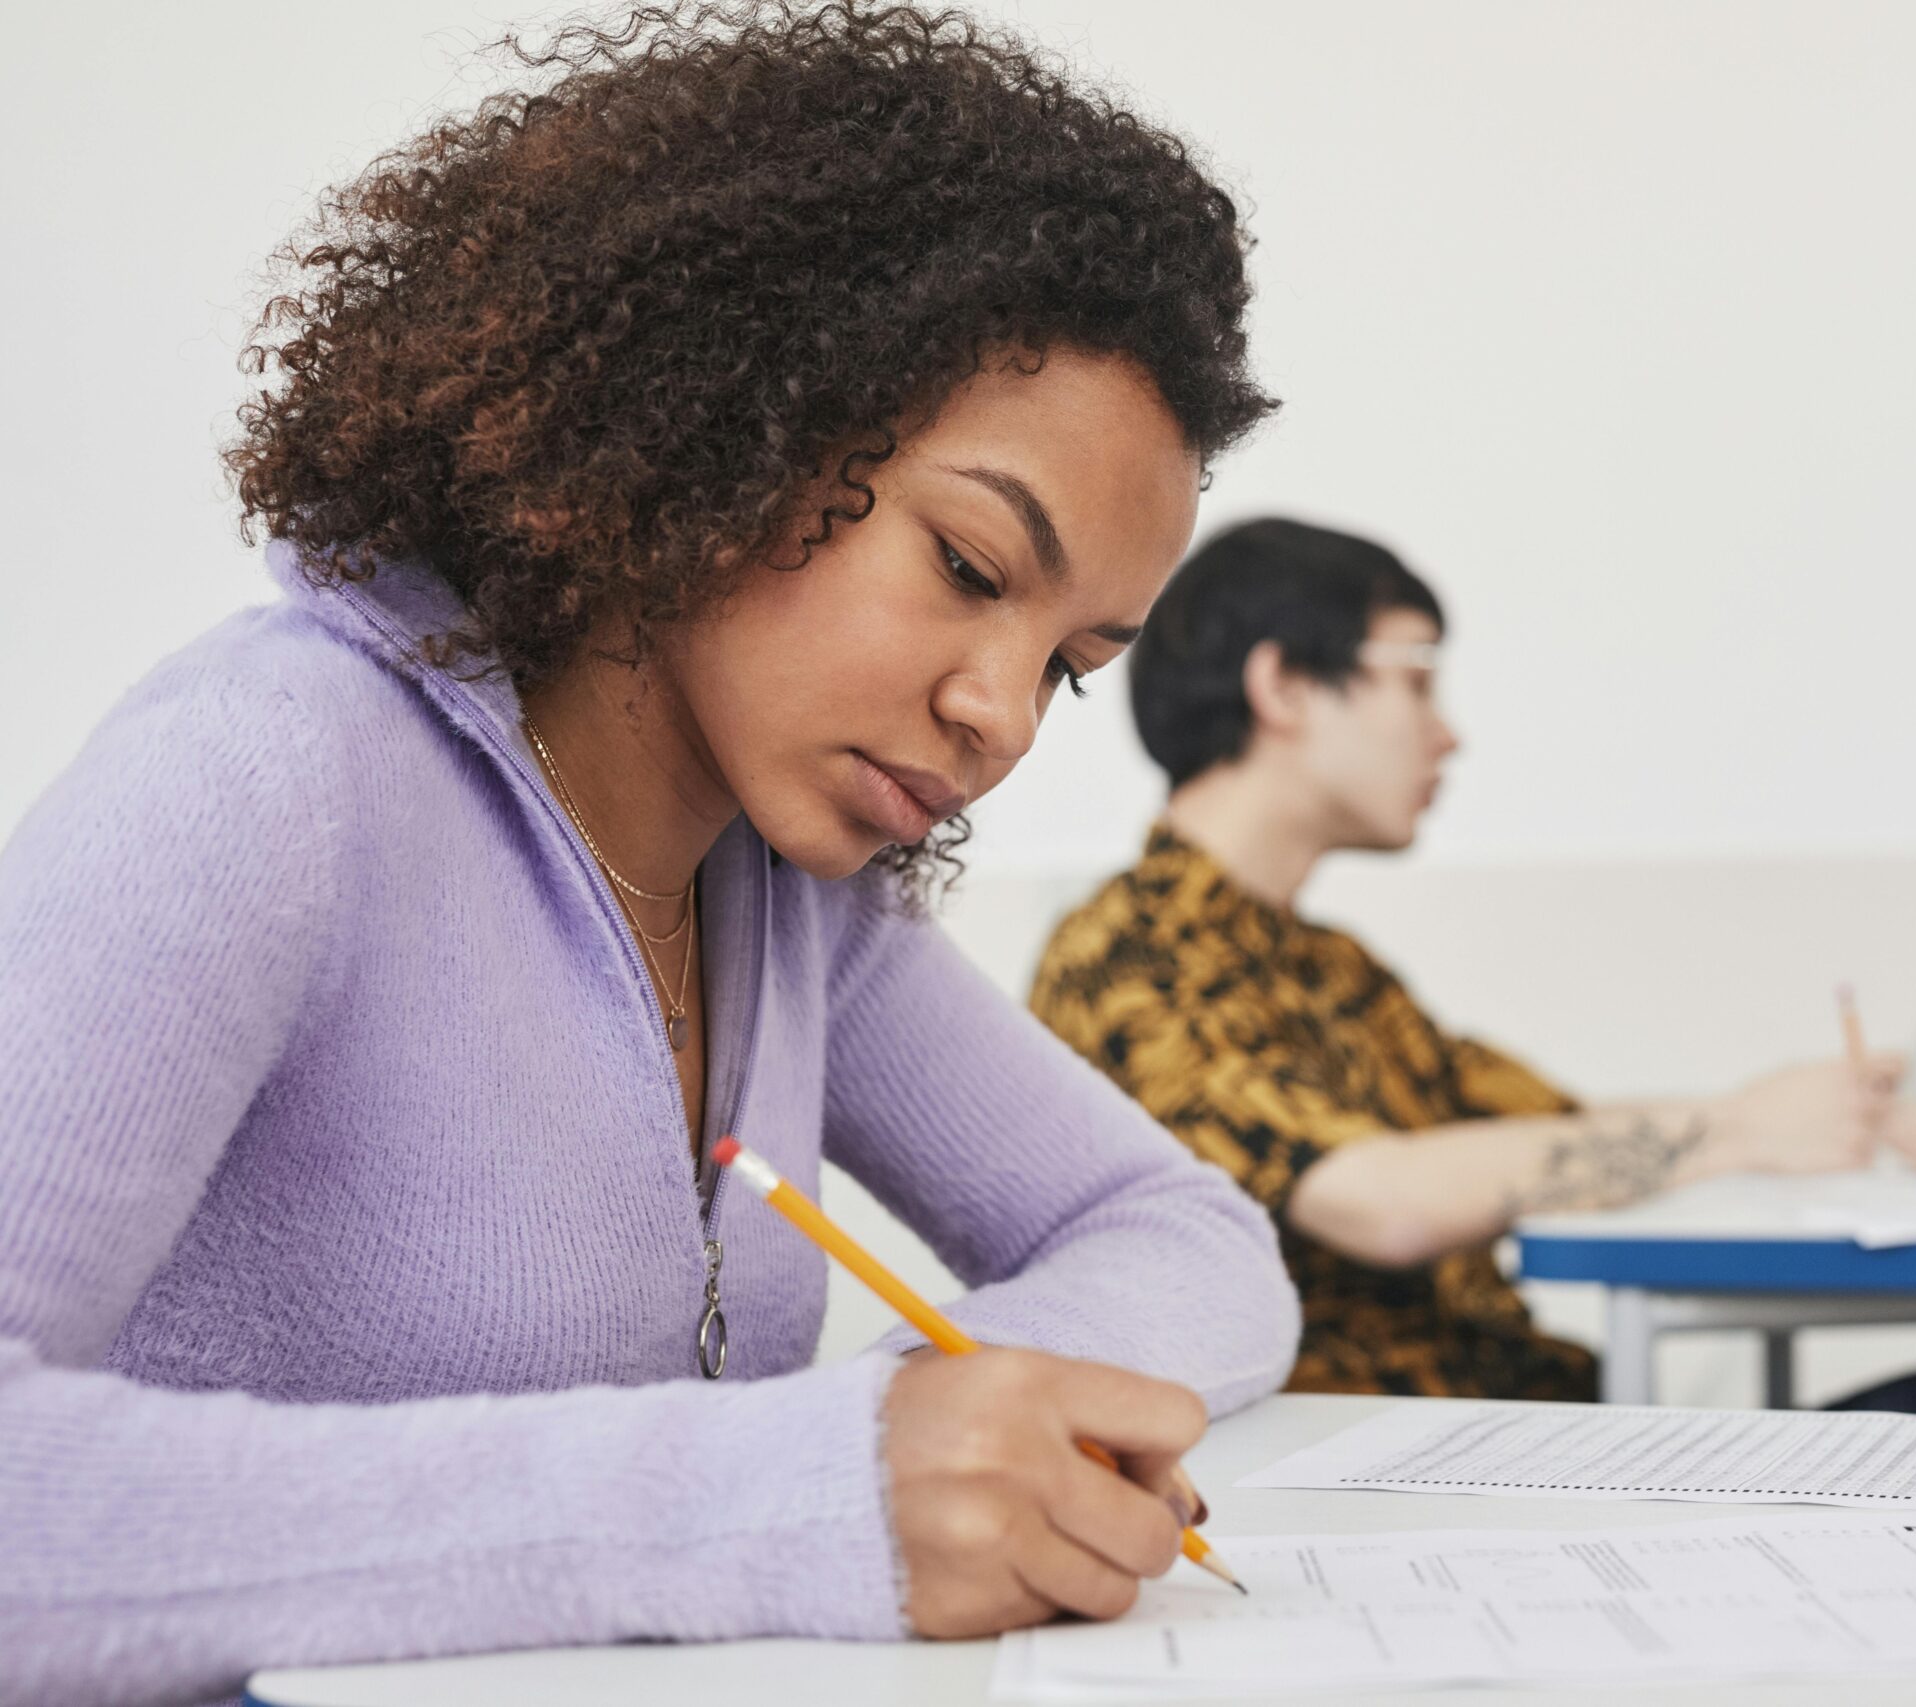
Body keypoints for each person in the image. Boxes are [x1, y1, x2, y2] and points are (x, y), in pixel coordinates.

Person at [0, 11, 1304, 1702]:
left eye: (1070, 663)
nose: (1002, 715)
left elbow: (1189, 1236)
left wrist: (970, 1444)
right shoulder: (268, 770)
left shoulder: (789, 895)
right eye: (974, 566)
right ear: (724, 419)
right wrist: (791, 1487)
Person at [1030, 518, 1916, 1403]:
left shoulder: (1328, 969)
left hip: (1512, 1421)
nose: (1447, 736)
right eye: (1416, 680)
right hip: (1382, 1470)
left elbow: (1548, 1133)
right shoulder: (1130, 959)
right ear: (1285, 686)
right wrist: (1738, 1127)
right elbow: (1377, 1198)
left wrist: (1857, 1124)